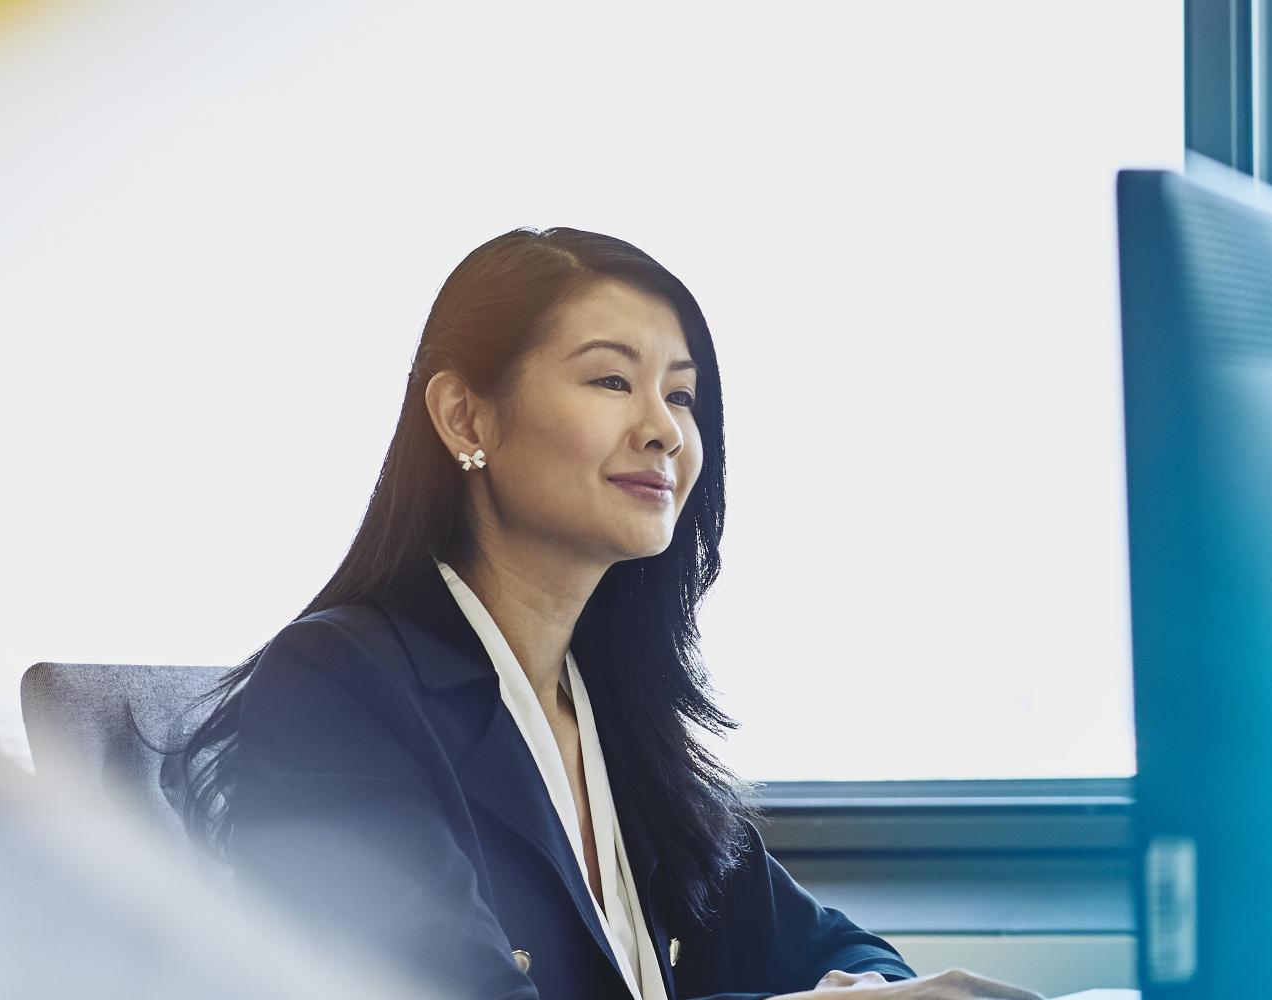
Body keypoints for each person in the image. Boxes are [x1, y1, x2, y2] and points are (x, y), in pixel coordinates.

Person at [167, 228, 1035, 1000]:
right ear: (464, 413)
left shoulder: (612, 711)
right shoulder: (336, 688)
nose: (663, 429)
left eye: (684, 396)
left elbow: (831, 950)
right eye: (613, 380)